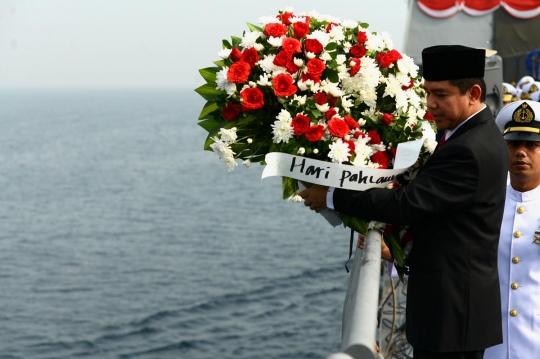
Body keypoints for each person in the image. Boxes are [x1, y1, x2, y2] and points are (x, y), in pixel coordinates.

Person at [299, 45, 508, 359]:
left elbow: (405, 204)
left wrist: (329, 194)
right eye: (427, 93)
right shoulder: (471, 134)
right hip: (457, 305)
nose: (431, 104)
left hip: (451, 314)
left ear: (474, 93)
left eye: (441, 94)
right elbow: (446, 217)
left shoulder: (468, 149)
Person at [483, 100, 540, 359]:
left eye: (532, 145)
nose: (521, 153)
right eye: (513, 144)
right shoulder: (484, 203)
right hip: (492, 346)